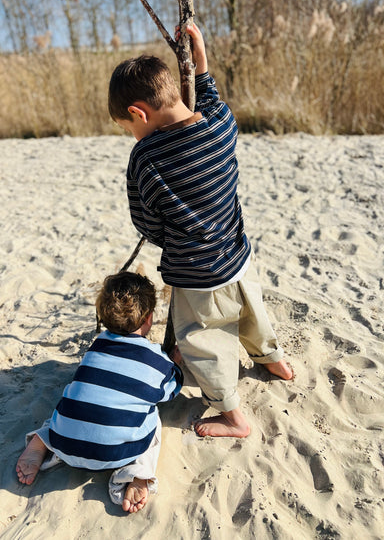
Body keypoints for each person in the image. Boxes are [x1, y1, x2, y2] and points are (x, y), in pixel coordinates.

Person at [108, 23, 293, 440]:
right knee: (252, 313)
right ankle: (273, 359)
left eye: (128, 125)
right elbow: (209, 98)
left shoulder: (145, 157)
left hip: (196, 275)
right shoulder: (221, 125)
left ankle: (232, 417)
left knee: (201, 340)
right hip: (239, 257)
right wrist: (201, 62)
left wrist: (172, 235)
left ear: (139, 113)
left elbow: (147, 223)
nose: (132, 134)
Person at [16, 271, 183, 513]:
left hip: (66, 443)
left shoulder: (95, 349)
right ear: (148, 318)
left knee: (74, 401)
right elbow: (170, 391)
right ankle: (138, 472)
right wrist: (175, 366)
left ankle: (43, 439)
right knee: (153, 417)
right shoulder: (156, 360)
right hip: (116, 454)